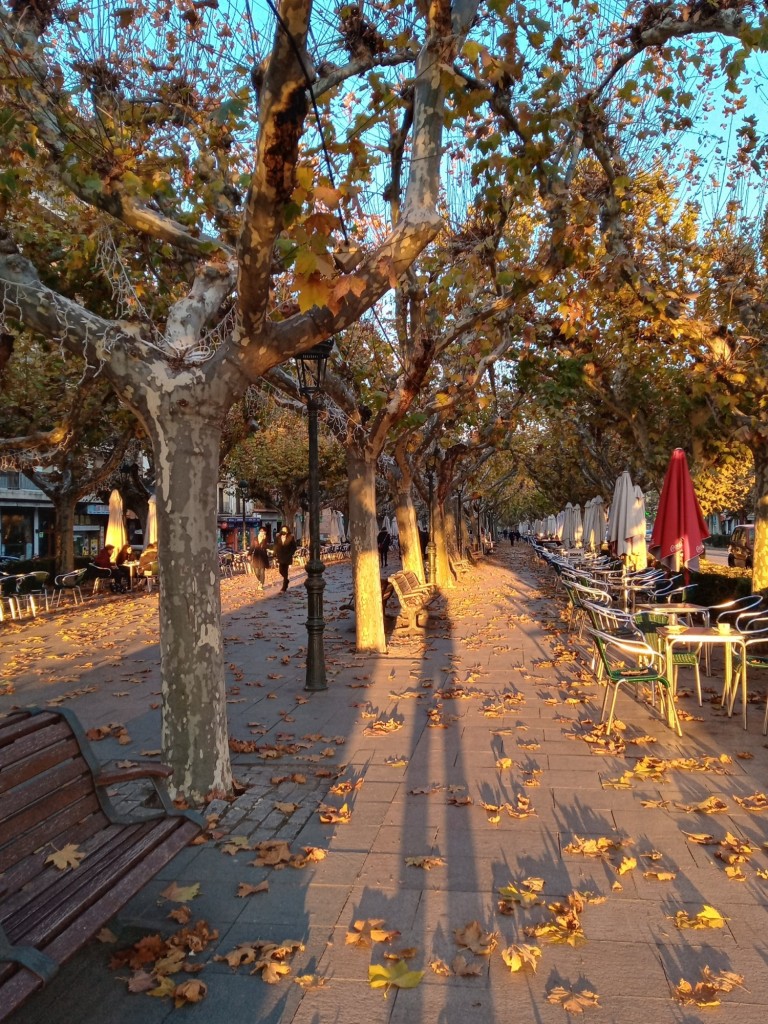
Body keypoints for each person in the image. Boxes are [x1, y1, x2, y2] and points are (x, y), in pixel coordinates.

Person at [272, 526, 297, 592]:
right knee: (281, 570)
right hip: (280, 556)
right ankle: (286, 580)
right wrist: (274, 554)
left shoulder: (291, 537)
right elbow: (275, 546)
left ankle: (284, 586)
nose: (284, 531)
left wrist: (291, 553)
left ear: (287, 531)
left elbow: (294, 547)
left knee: (285, 571)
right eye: (283, 529)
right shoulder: (277, 537)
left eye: (285, 530)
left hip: (287, 556)